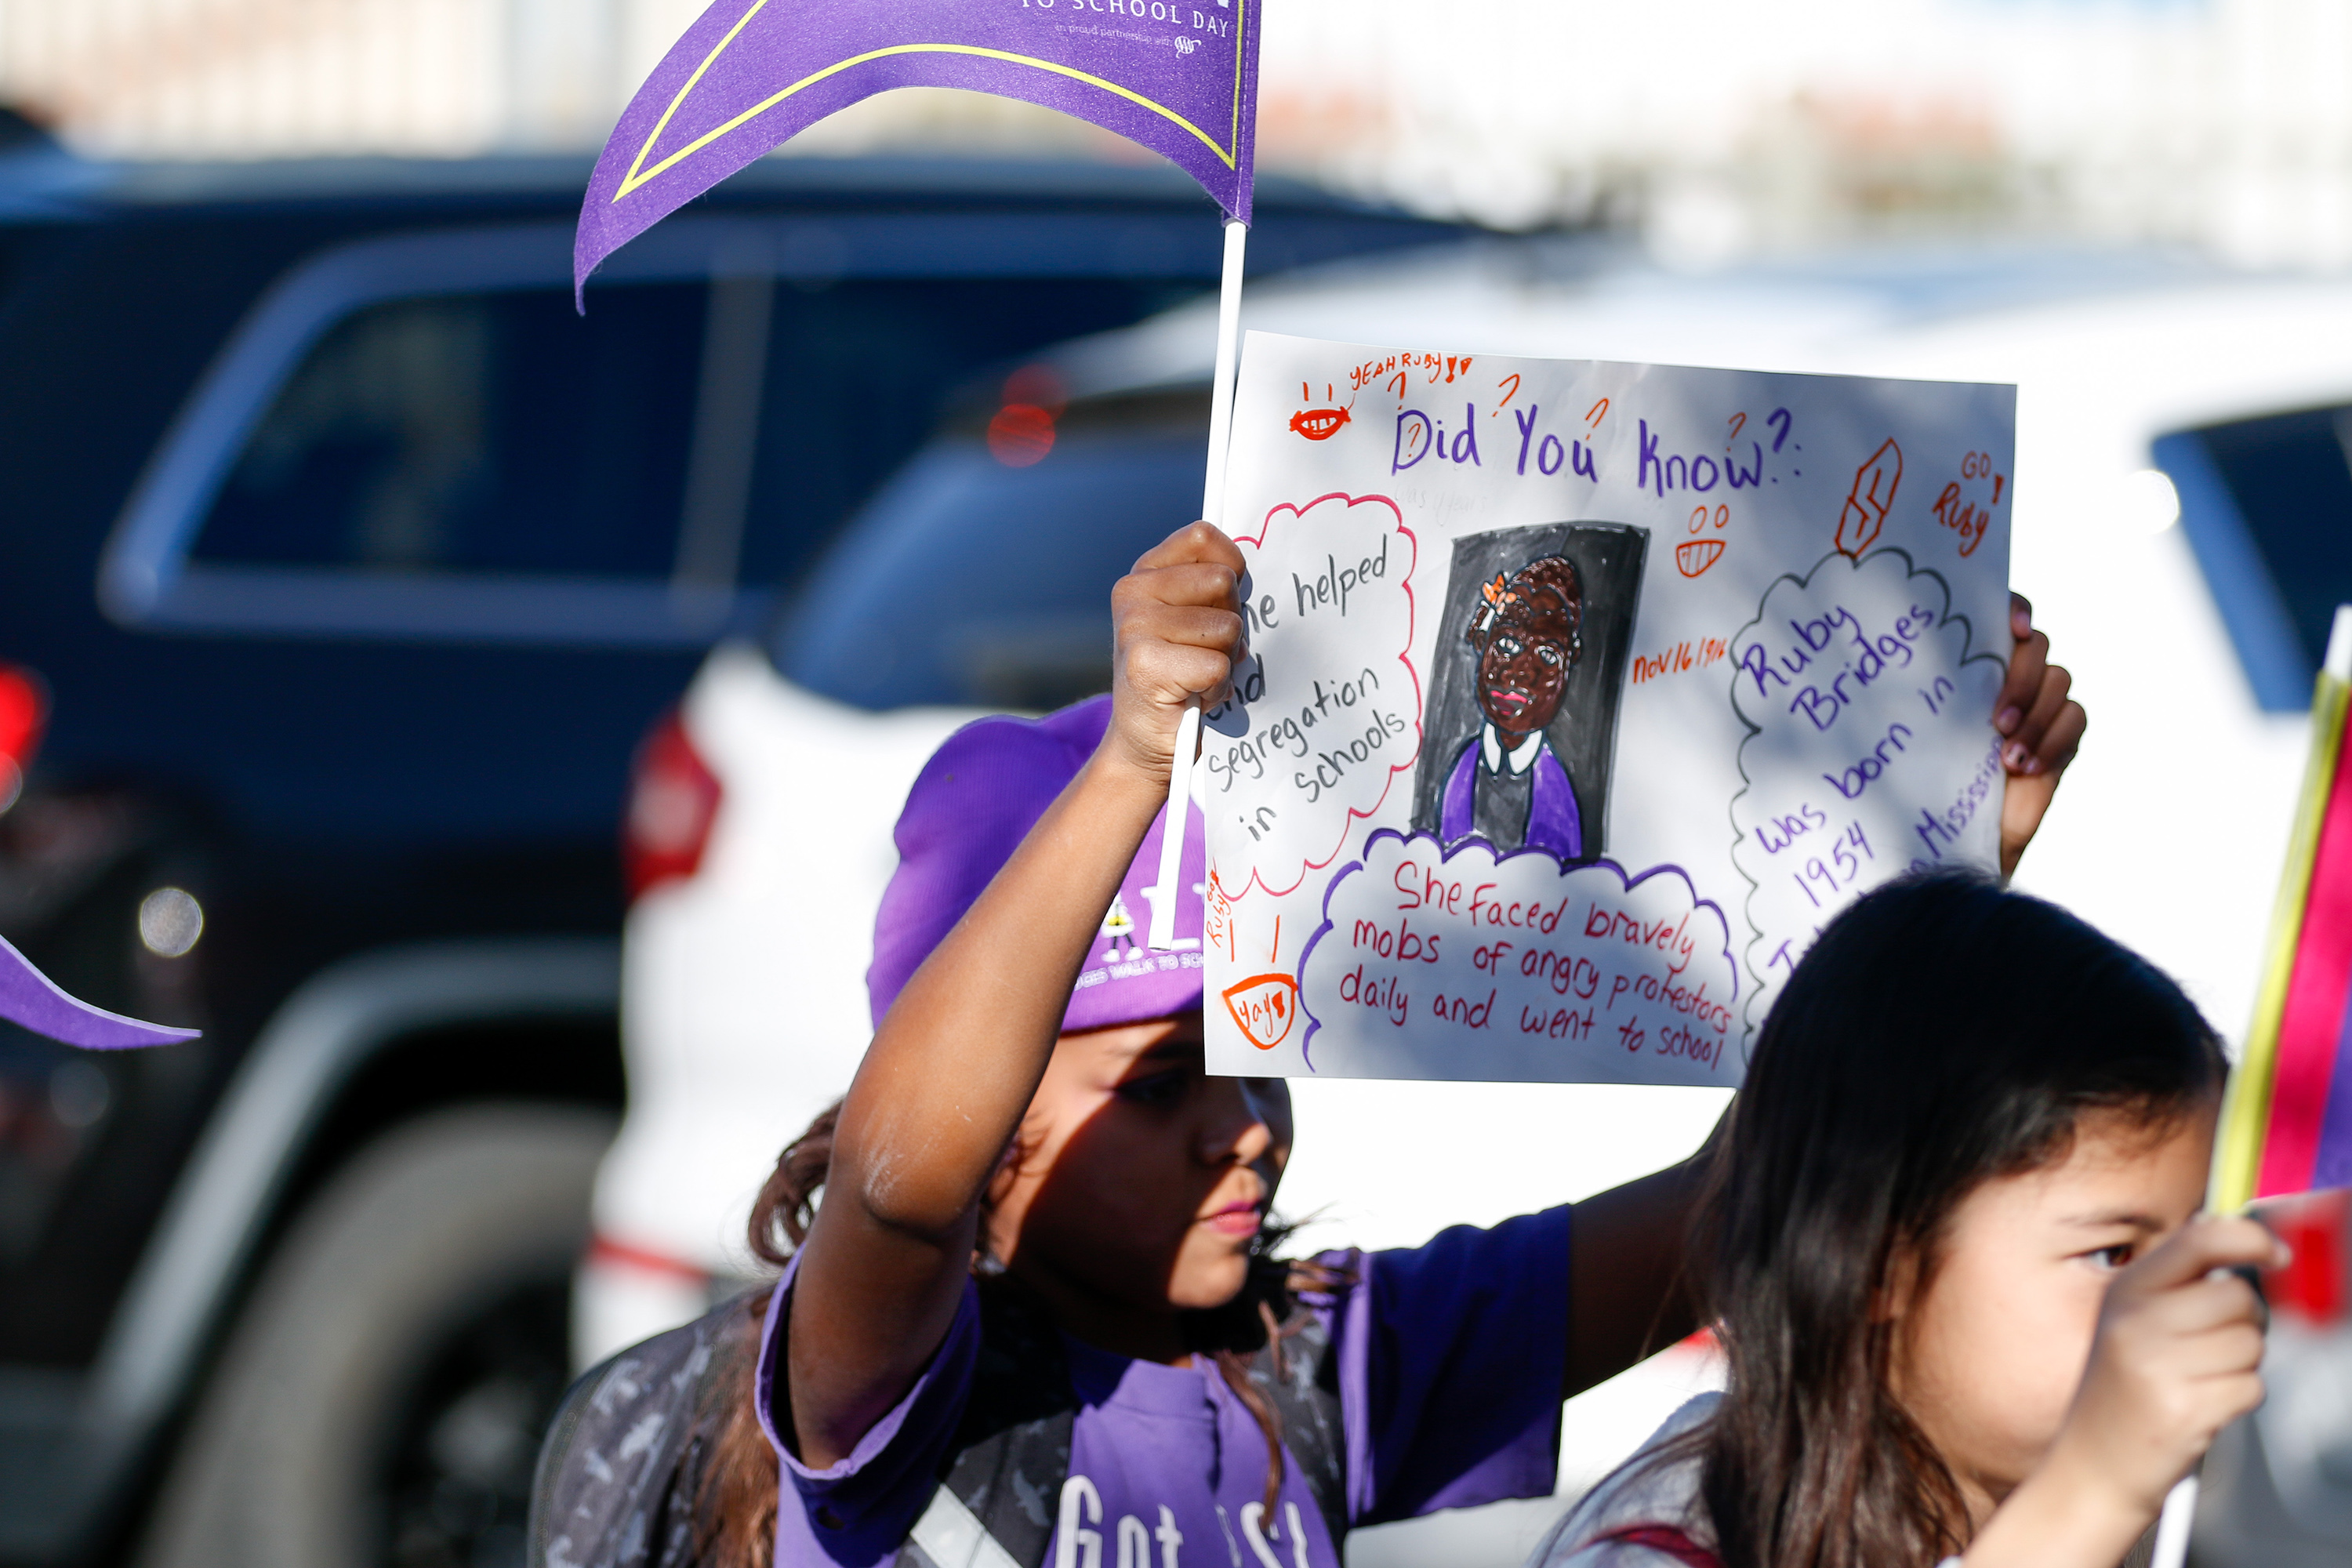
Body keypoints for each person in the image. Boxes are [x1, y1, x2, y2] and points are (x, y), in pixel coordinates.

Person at [528, 522, 2085, 1568]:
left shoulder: (1319, 1367)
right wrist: (1142, 754)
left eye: (1253, 1053)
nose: (1246, 1125)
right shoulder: (879, 1378)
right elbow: (894, 1183)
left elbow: (1733, 1210)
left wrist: (1947, 878)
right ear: (992, 1123)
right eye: (1155, 1085)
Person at [1526, 872, 2284, 1568]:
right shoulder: (1673, 1547)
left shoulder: (2147, 1523)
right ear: (1879, 1266)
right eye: (2114, 1254)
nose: (2181, 1296)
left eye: (2192, 1242)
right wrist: (2090, 1500)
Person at [1439, 557, 1586, 858]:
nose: (1520, 672)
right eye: (1507, 645)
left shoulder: (1558, 799)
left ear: (1569, 663)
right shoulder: (1459, 775)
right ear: (1482, 641)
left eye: (1547, 655)